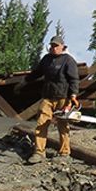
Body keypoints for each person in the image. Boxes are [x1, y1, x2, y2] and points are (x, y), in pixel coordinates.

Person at [27, 35, 79, 164]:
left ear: (63, 47)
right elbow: (36, 73)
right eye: (52, 46)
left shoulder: (68, 60)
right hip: (47, 97)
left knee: (63, 125)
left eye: (56, 46)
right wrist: (23, 81)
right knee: (41, 123)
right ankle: (39, 152)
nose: (53, 48)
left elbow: (74, 79)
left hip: (63, 97)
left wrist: (73, 96)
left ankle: (64, 153)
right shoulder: (46, 59)